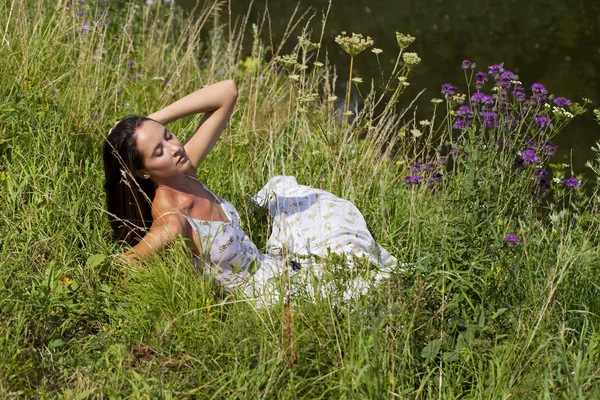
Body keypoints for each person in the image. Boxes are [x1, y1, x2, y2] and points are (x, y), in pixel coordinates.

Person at [103, 80, 397, 305]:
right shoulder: (172, 221)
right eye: (158, 151)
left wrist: (143, 123)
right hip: (266, 298)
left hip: (275, 268)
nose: (175, 148)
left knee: (330, 220)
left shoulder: (183, 170)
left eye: (168, 135)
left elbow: (227, 91)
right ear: (142, 172)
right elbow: (125, 264)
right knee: (370, 287)